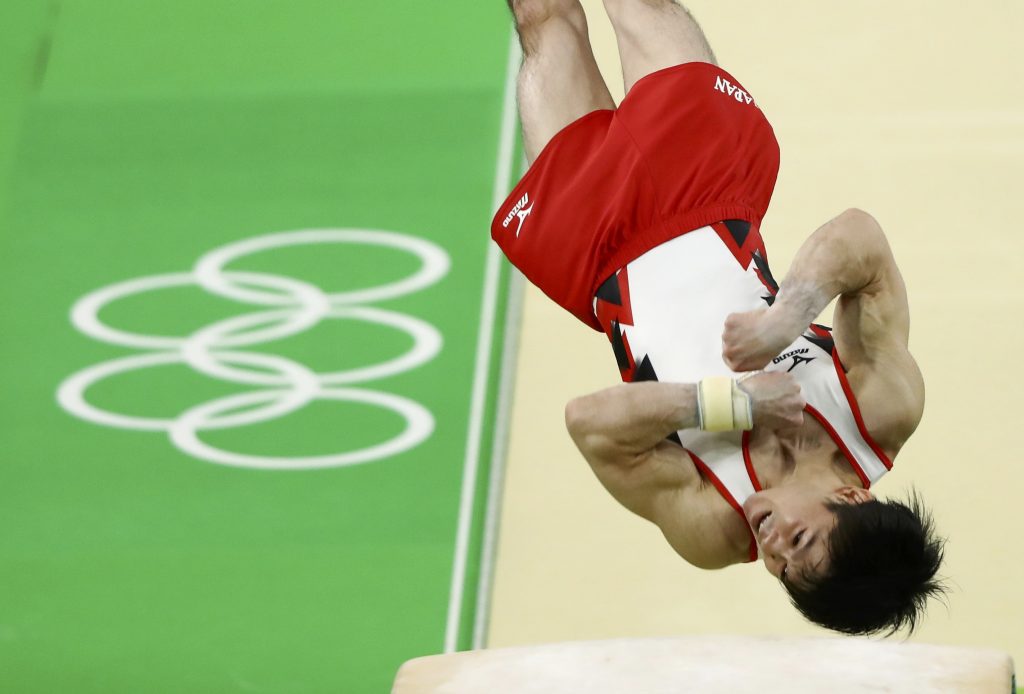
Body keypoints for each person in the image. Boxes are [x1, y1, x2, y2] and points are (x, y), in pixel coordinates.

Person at [492, 0, 945, 635]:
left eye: (786, 573)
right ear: (852, 498)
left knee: (543, 19)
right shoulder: (879, 410)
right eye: (804, 543)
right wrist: (787, 317)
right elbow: (860, 240)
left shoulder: (712, 527)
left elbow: (590, 425)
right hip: (701, 181)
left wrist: (730, 406)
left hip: (596, 248)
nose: (775, 552)